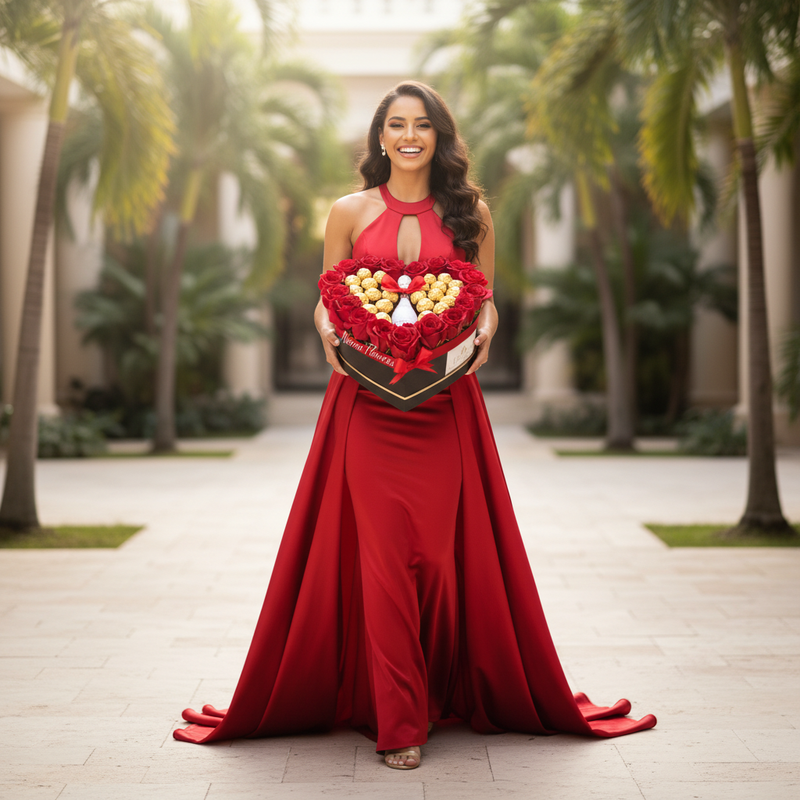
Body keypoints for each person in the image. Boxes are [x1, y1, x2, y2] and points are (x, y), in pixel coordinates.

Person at [173, 81, 656, 770]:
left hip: (445, 406)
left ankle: (438, 688)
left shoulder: (471, 214)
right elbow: (328, 298)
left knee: (435, 558)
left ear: (439, 136)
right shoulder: (347, 211)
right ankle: (400, 722)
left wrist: (483, 330)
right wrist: (327, 331)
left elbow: (485, 301)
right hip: (365, 408)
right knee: (382, 559)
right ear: (379, 136)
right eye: (396, 124)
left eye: (422, 125)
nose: (409, 136)